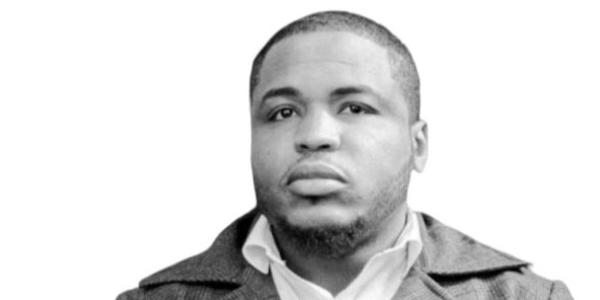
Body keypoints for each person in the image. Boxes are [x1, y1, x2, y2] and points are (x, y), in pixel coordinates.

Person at [117, 11, 572, 300]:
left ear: (418, 145)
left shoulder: (524, 296)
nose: (314, 135)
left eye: (355, 107)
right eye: (282, 112)